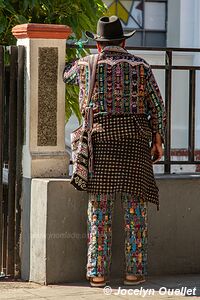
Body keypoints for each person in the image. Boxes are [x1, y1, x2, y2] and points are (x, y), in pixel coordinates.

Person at [63, 16, 166, 287]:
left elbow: (65, 74)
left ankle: (97, 273)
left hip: (100, 147)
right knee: (135, 213)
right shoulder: (141, 66)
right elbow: (157, 105)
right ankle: (134, 272)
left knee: (99, 213)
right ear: (123, 41)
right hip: (134, 147)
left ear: (98, 45)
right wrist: (158, 139)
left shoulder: (86, 65)